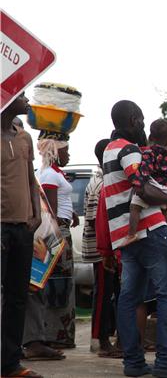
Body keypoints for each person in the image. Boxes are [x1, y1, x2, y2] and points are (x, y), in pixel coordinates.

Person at [103, 100, 167, 377]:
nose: (143, 125)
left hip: (125, 236)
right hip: (150, 229)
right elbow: (141, 187)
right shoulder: (129, 151)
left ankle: (133, 362)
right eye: (141, 120)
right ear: (133, 120)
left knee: (129, 298)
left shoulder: (109, 149)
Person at [24, 130, 79, 358]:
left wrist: (71, 213)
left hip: (62, 230)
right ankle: (52, 336)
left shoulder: (55, 173)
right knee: (57, 285)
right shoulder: (48, 175)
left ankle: (57, 336)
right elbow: (50, 212)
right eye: (65, 148)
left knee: (61, 284)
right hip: (55, 235)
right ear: (55, 150)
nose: (69, 153)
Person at [1, 94, 43, 378]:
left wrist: (37, 211)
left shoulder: (25, 137)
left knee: (18, 298)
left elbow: (31, 177)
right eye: (22, 94)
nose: (27, 99)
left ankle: (9, 364)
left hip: (23, 227)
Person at [83, 138, 123, 357]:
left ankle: (109, 335)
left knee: (110, 291)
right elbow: (93, 219)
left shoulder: (103, 180)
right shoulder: (101, 183)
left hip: (105, 247)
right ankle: (100, 339)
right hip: (101, 250)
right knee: (103, 292)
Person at [122, 119, 167, 247]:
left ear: (150, 137)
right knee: (164, 211)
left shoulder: (149, 153)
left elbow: (145, 170)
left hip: (154, 187)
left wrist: (138, 185)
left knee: (135, 206)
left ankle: (131, 234)